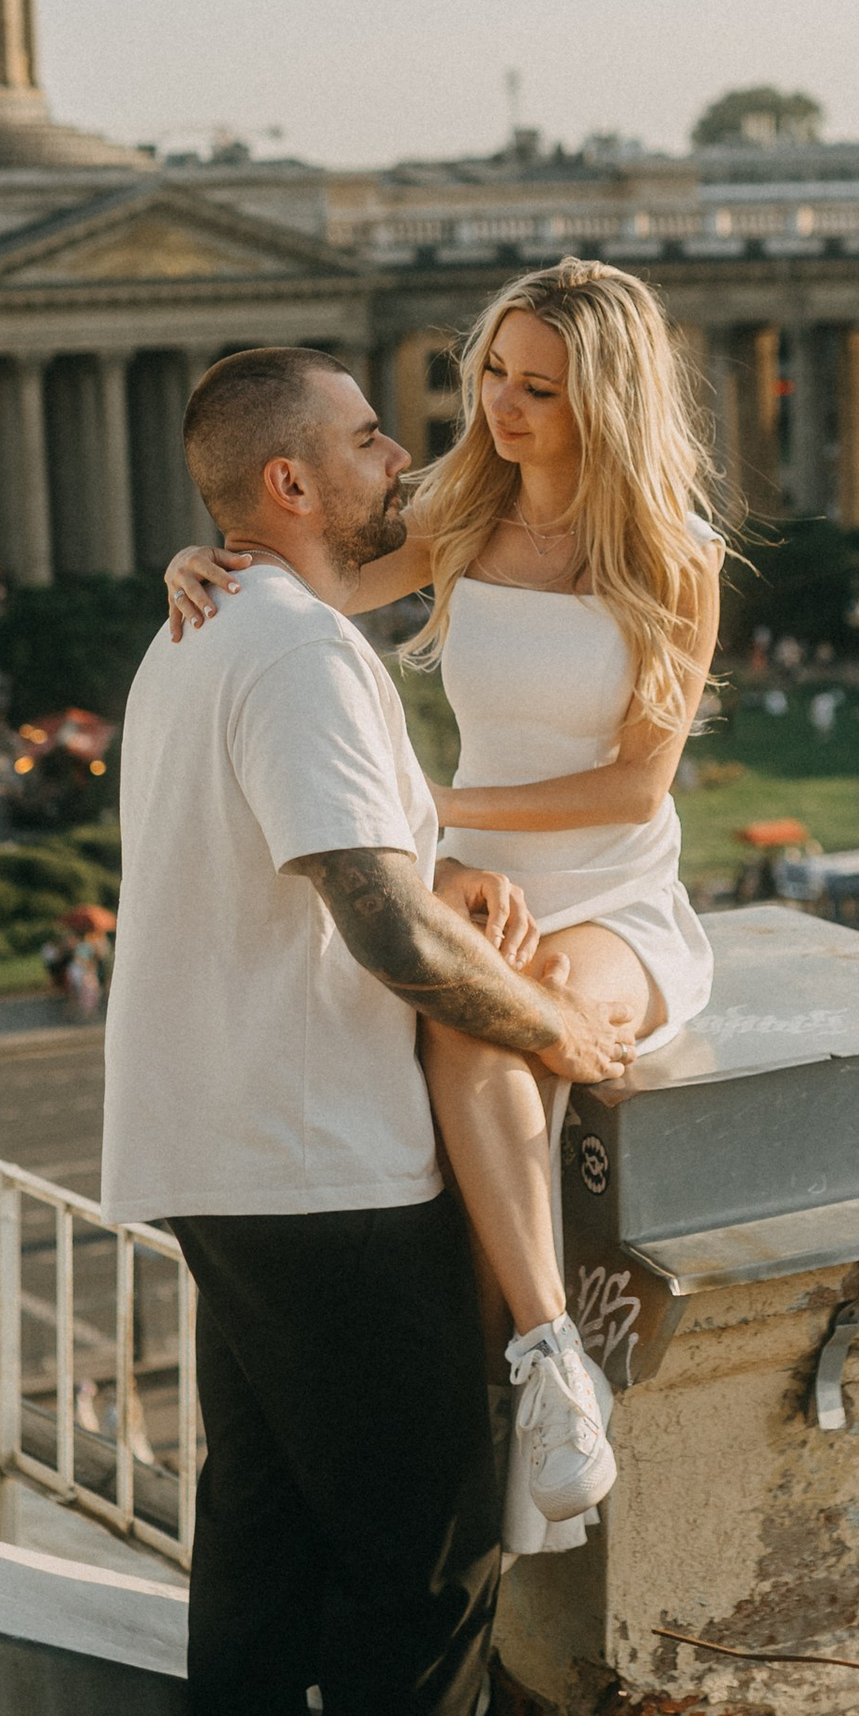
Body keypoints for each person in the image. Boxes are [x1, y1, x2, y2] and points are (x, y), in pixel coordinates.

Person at [101, 344, 635, 1716]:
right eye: (361, 436)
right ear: (289, 493)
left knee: (258, 1579)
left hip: (212, 1153)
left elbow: (364, 881)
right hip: (324, 1166)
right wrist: (561, 1031)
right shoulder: (300, 648)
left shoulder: (195, 636)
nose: (398, 445)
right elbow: (384, 934)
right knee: (423, 1582)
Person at [167, 258, 724, 1545]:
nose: (500, 406)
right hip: (470, 877)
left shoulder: (676, 557)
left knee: (482, 1024)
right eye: (492, 372)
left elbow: (638, 788)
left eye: (539, 387)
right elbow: (303, 580)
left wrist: (429, 805)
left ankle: (541, 1369)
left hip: (614, 898)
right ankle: (537, 1369)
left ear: (608, 402)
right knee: (473, 1033)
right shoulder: (460, 517)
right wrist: (203, 563)